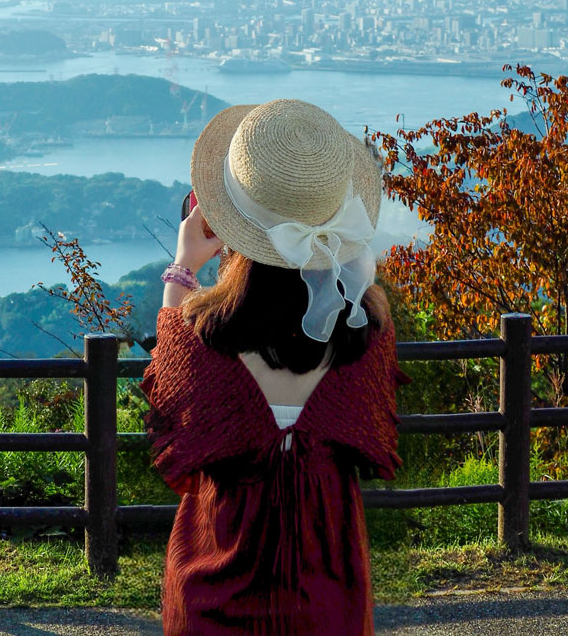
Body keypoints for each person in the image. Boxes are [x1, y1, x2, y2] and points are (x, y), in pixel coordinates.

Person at [140, 98, 409, 636]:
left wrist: (183, 267)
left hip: (210, 593)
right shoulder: (367, 335)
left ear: (228, 223)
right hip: (329, 600)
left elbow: (167, 393)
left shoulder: (200, 339)